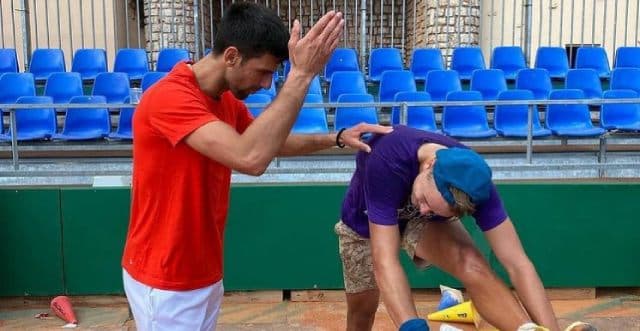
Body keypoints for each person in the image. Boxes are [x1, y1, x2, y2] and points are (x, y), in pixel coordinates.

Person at [120, 2, 391, 330]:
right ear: (231, 56)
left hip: (201, 269)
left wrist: (336, 137)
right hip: (165, 276)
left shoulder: (225, 100)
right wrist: (301, 75)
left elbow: (267, 141)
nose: (266, 84)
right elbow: (250, 157)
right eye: (263, 72)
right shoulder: (170, 98)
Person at [335, 125, 561, 331]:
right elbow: (385, 261)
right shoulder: (386, 157)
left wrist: (551, 329)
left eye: (432, 208)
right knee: (362, 311)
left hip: (417, 217)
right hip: (364, 221)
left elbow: (518, 264)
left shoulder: (474, 181)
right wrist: (412, 326)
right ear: (430, 164)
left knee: (471, 264)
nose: (423, 209)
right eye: (425, 198)